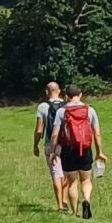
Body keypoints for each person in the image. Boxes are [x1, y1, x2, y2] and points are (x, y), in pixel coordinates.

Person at [51, 85, 107, 219]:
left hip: (68, 150)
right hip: (85, 149)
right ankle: (86, 200)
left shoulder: (61, 112)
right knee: (86, 180)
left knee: (71, 182)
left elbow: (54, 135)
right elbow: (97, 134)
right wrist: (100, 152)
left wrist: (53, 152)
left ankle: (75, 212)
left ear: (66, 96)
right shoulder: (90, 110)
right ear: (80, 94)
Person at [33, 81, 68, 212]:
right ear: (59, 91)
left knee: (56, 174)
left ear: (47, 92)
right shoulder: (67, 105)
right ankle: (64, 200)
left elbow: (39, 130)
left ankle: (59, 205)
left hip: (50, 144)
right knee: (66, 173)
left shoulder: (42, 107)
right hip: (66, 144)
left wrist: (35, 145)